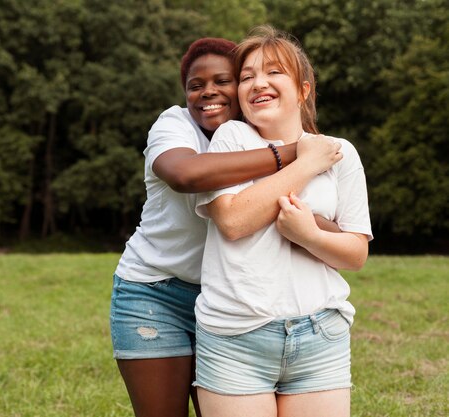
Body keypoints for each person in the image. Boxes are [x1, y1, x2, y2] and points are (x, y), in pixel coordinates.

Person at [110, 37, 342, 417]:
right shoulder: (175, 124)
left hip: (228, 302)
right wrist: (298, 155)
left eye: (223, 81)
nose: (208, 93)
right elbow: (185, 174)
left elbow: (305, 221)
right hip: (155, 293)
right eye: (195, 85)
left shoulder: (257, 131)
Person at [193, 26, 373, 417]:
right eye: (247, 76)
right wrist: (307, 162)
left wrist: (308, 234)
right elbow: (235, 220)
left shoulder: (340, 153)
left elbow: (356, 253)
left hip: (319, 335)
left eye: (274, 72)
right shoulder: (232, 138)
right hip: (236, 336)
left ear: (303, 90)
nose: (258, 83)